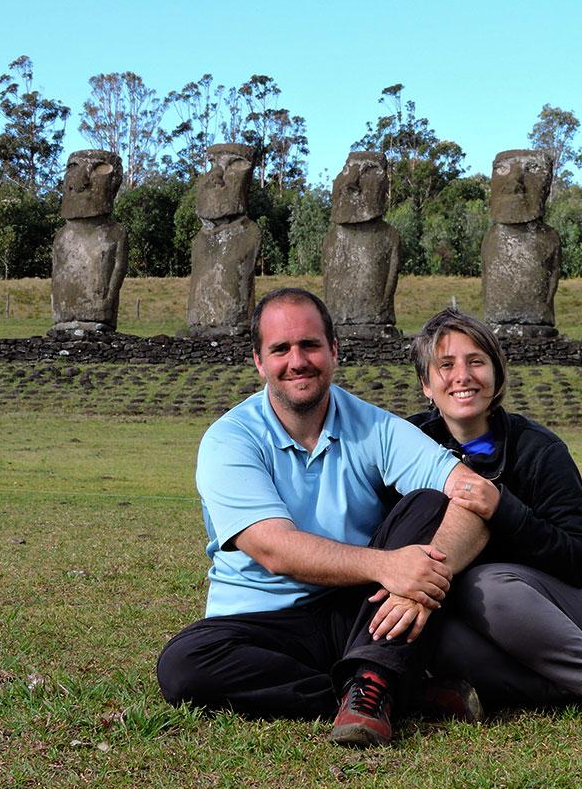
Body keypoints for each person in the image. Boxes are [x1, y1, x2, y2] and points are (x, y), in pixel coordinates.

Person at [156, 288, 493, 746]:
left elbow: (475, 495)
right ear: (259, 361)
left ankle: (371, 680)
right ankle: (394, 691)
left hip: (357, 611)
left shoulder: (374, 426)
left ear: (334, 350)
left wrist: (428, 573)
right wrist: (388, 566)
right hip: (261, 619)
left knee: (429, 504)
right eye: (281, 349)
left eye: (310, 345)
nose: (298, 361)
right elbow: (274, 548)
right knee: (184, 666)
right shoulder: (229, 440)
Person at [402, 308, 582, 730]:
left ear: (496, 375)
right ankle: (569, 686)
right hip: (469, 624)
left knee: (488, 584)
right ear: (426, 384)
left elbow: (578, 560)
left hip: (563, 612)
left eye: (476, 361)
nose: (462, 375)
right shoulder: (408, 445)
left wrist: (504, 512)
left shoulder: (539, 449)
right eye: (445, 365)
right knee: (429, 635)